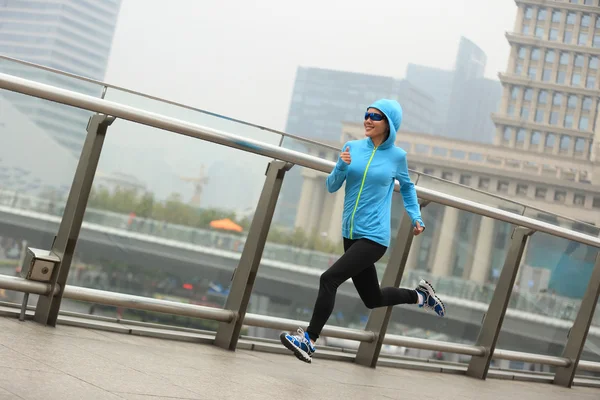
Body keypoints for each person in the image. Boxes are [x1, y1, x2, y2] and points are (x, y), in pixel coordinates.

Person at [280, 99, 446, 363]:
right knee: (372, 298)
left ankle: (309, 340)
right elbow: (332, 186)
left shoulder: (397, 157)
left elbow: (407, 187)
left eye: (375, 117)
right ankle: (420, 295)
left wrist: (416, 216)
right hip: (350, 234)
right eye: (366, 114)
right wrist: (341, 166)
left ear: (388, 124)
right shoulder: (351, 148)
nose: (367, 120)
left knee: (329, 279)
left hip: (374, 237)